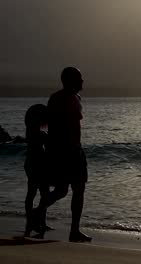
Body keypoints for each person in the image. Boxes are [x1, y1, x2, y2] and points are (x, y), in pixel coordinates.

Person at [35, 67, 91, 242]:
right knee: (73, 189)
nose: (82, 81)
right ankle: (73, 230)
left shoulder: (69, 97)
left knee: (63, 190)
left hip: (64, 150)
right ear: (69, 80)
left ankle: (37, 214)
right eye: (79, 78)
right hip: (68, 151)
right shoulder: (61, 99)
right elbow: (61, 126)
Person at [23, 104, 50, 237]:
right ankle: (39, 222)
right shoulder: (40, 134)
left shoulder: (29, 132)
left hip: (30, 163)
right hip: (39, 164)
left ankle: (31, 222)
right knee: (43, 193)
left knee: (32, 193)